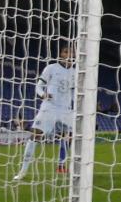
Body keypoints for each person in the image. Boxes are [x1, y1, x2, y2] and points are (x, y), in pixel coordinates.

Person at [15, 44, 76, 179]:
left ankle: (61, 165)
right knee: (35, 135)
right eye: (66, 52)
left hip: (66, 110)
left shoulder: (75, 73)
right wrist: (43, 95)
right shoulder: (51, 68)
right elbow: (38, 86)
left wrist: (74, 106)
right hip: (50, 107)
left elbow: (73, 92)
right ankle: (23, 170)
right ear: (61, 54)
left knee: (70, 135)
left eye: (72, 53)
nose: (70, 55)